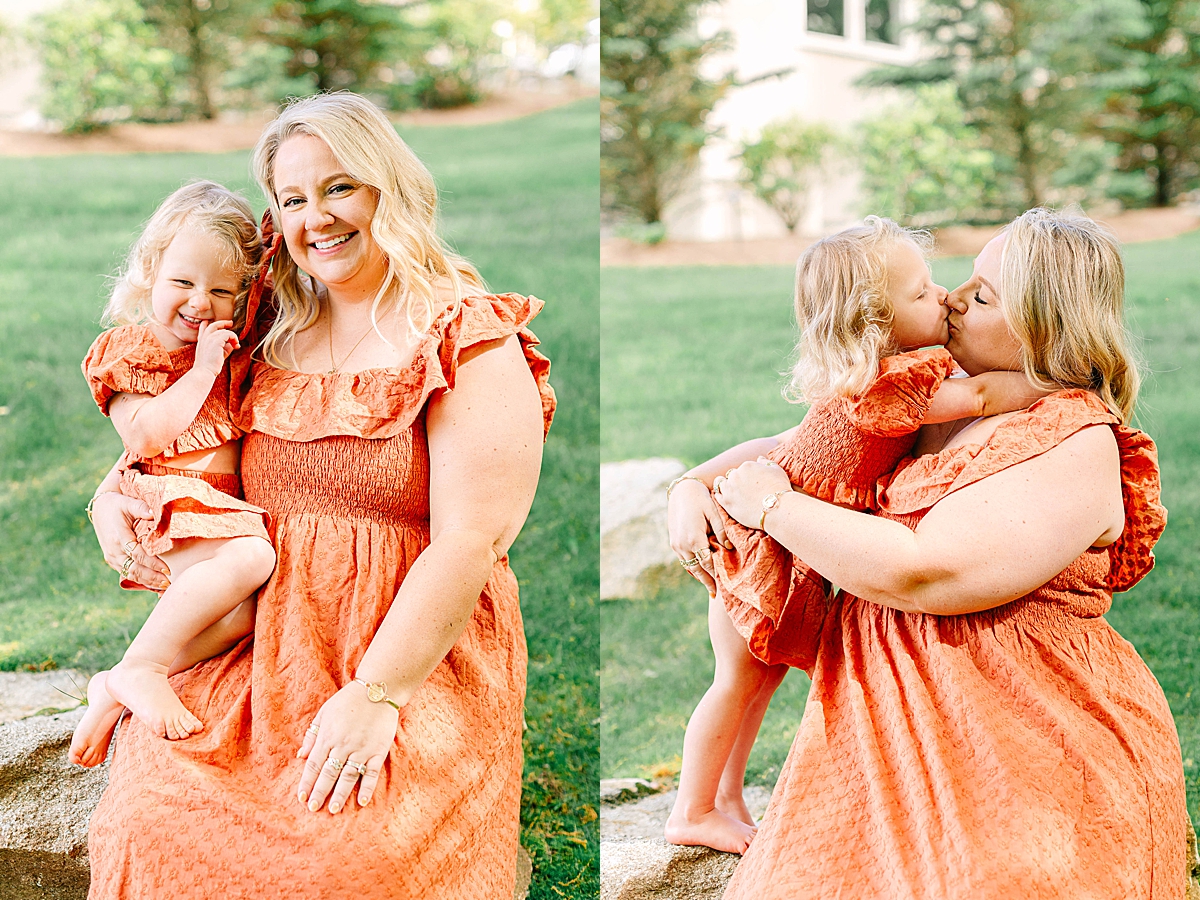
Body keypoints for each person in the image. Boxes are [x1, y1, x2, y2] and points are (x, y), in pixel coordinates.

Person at [85, 91, 555, 898]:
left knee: (347, 864)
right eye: (292, 199)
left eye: (339, 187)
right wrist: (109, 502)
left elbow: (471, 542)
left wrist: (376, 697)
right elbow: (172, 436)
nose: (317, 217)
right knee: (148, 821)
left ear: (389, 187)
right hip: (259, 641)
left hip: (407, 649)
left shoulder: (465, 334)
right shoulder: (256, 325)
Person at [671, 208, 1185, 897]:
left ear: (1045, 325)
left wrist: (772, 507)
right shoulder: (930, 404)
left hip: (1019, 735)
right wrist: (690, 488)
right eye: (961, 281)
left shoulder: (1073, 437)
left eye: (983, 294)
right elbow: (795, 449)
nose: (952, 300)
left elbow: (925, 571)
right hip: (878, 724)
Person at [664, 217, 1046, 854]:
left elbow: (783, 445)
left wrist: (693, 482)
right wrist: (1066, 380)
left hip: (791, 543)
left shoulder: (883, 373)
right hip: (763, 548)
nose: (945, 296)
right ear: (877, 321)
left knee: (756, 683)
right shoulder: (885, 387)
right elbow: (979, 395)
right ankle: (691, 809)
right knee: (734, 681)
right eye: (923, 293)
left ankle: (723, 801)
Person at [70, 181, 276, 764]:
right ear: (149, 273)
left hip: (212, 506)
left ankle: (117, 680)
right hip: (166, 500)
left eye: (220, 290)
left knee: (245, 612)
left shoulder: (233, 351)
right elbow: (145, 436)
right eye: (182, 283)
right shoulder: (131, 351)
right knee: (252, 559)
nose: (199, 302)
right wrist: (204, 368)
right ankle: (145, 667)